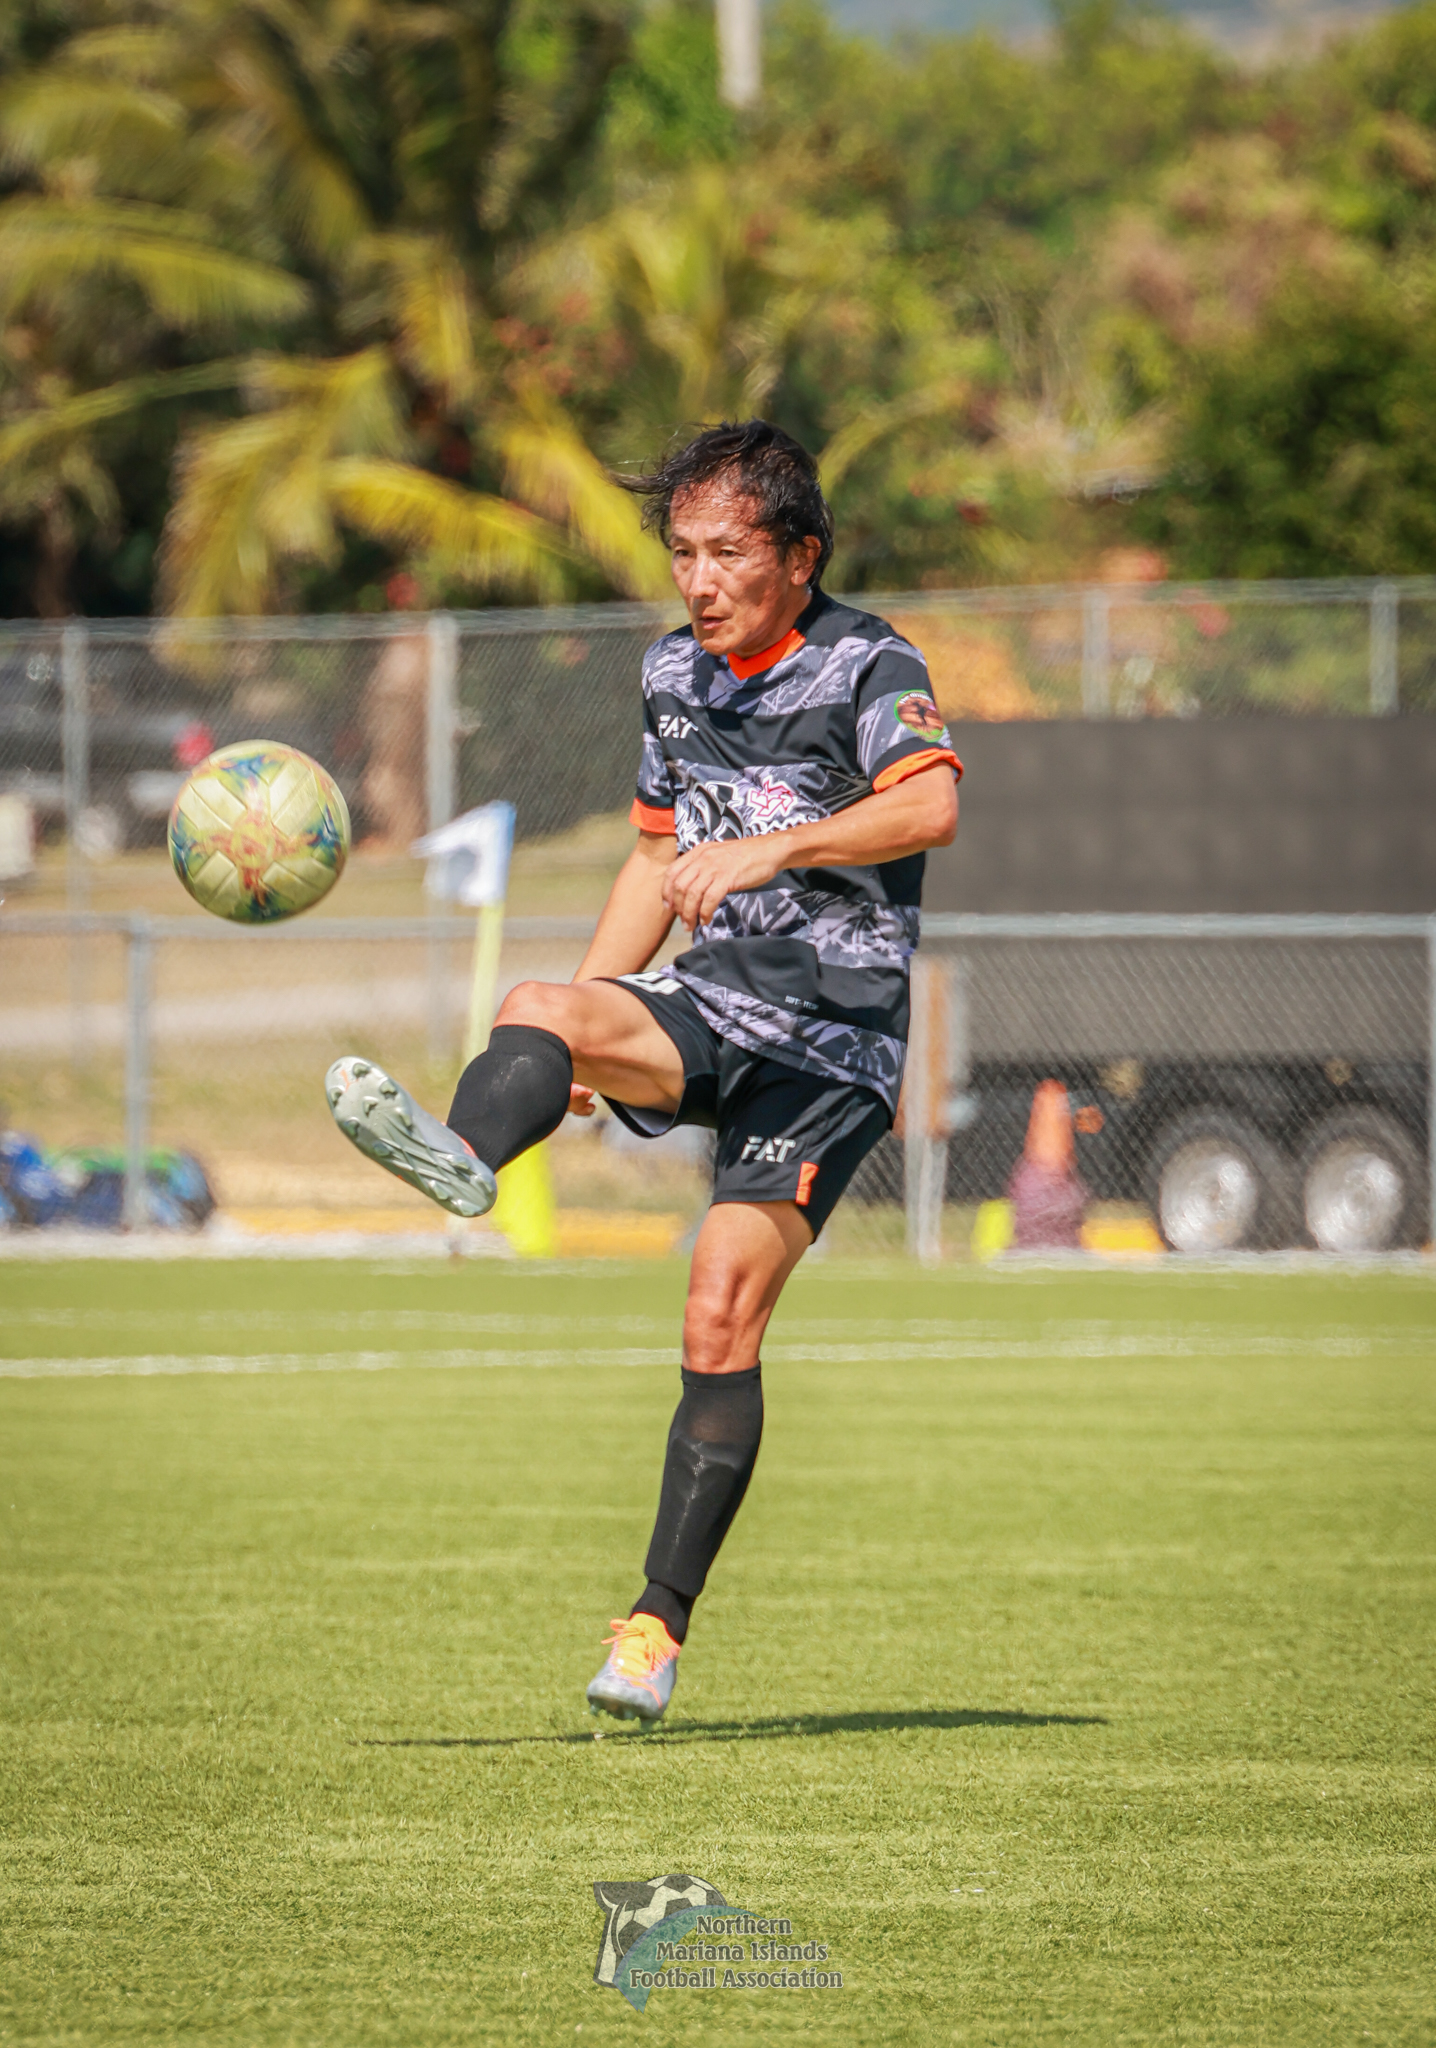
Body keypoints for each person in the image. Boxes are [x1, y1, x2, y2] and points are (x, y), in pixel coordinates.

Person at [325, 420, 961, 1723]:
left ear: (800, 553)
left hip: (832, 1042)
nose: (701, 579)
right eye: (682, 552)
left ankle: (653, 1632)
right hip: (716, 1003)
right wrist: (583, 1021)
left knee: (719, 1305)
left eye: (728, 551)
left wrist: (774, 854)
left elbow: (931, 802)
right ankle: (467, 1158)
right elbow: (648, 858)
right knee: (535, 1003)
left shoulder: (867, 660)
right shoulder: (674, 675)